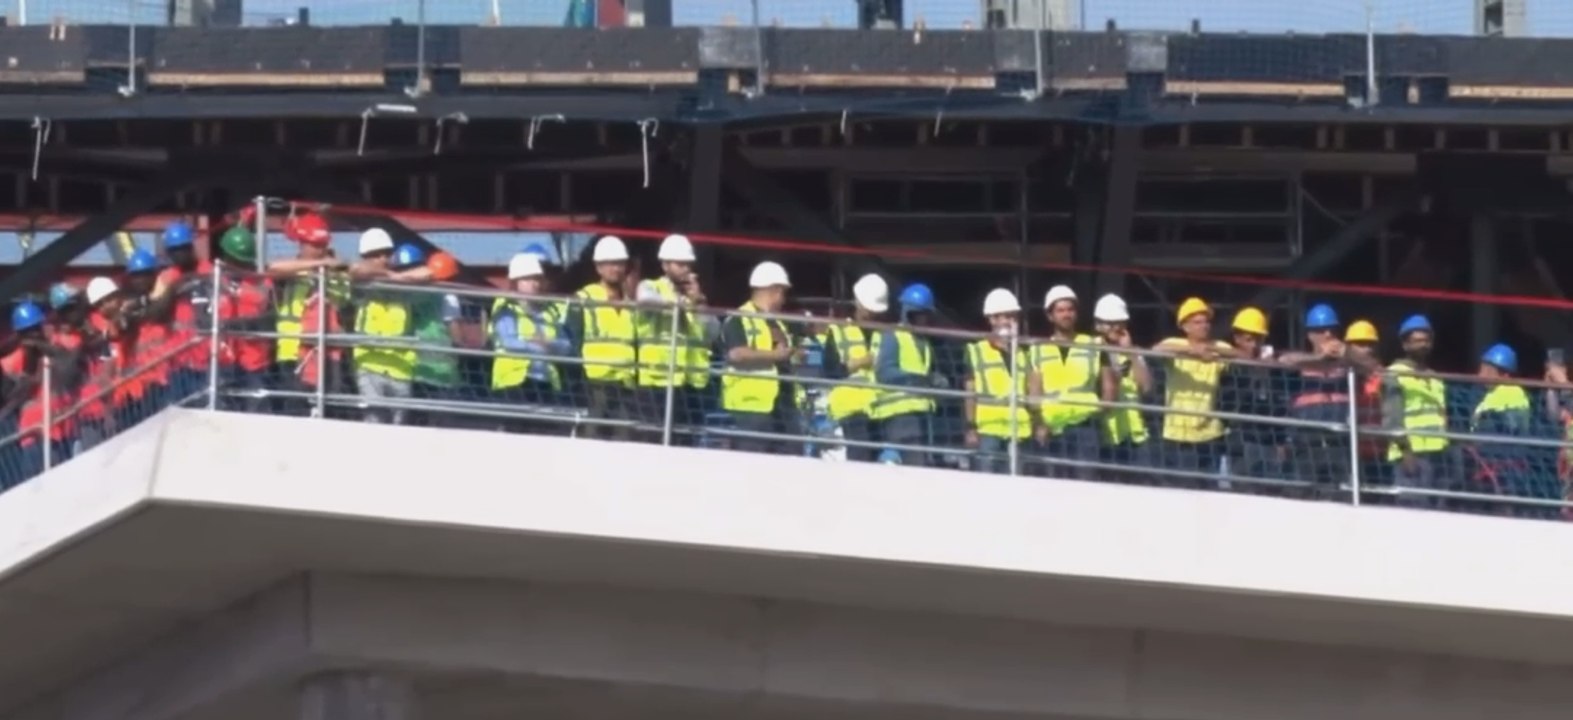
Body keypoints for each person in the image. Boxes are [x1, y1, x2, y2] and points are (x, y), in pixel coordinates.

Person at [633, 234, 717, 444]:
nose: (686, 269)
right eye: (680, 264)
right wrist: (676, 303)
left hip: (686, 384)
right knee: (652, 442)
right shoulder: (650, 286)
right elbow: (644, 300)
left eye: (688, 265)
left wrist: (699, 304)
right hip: (655, 382)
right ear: (665, 265)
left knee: (685, 444)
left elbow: (713, 333)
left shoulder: (695, 298)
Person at [268, 211, 349, 415]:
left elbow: (345, 296)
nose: (319, 250)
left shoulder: (337, 272)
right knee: (295, 410)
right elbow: (272, 268)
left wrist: (332, 269)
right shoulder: (293, 268)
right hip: (292, 350)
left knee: (330, 409)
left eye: (322, 245)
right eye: (314, 245)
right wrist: (318, 265)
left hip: (328, 352)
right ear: (301, 243)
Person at [1153, 297, 1236, 483]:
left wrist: (1211, 351)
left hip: (1210, 434)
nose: (1204, 326)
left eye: (1206, 321)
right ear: (1184, 326)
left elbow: (1240, 354)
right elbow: (1157, 349)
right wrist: (1194, 352)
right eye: (1197, 322)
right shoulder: (1176, 344)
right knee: (1182, 492)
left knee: (1209, 492)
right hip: (1178, 434)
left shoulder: (1218, 347)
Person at [1273, 303, 1353, 498]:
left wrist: (1346, 353)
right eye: (1320, 331)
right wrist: (1321, 358)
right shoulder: (1300, 361)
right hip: (1306, 442)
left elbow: (1370, 363)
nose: (1327, 335)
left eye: (1331, 330)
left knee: (1341, 497)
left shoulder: (1348, 364)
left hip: (1339, 443)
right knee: (1303, 497)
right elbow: (1283, 360)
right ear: (1310, 335)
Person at [721, 261, 799, 454]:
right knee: (754, 463)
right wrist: (775, 355)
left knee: (793, 461)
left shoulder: (779, 323)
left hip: (783, 407)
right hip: (751, 409)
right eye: (783, 293)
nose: (784, 300)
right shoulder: (739, 318)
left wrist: (794, 354)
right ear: (775, 291)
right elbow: (737, 354)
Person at [490, 252, 573, 435]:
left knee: (542, 437)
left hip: (545, 383)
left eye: (537, 279)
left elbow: (566, 346)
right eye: (527, 279)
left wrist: (547, 343)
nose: (534, 284)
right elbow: (509, 341)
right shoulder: (506, 310)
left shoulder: (549, 313)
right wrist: (543, 346)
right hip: (513, 382)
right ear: (515, 283)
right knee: (515, 436)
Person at [1028, 285, 1105, 481]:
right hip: (1052, 428)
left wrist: (1101, 411)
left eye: (1070, 309)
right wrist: (1039, 423)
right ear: (1050, 316)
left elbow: (1109, 384)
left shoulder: (1093, 344)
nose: (1066, 314)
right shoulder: (1038, 349)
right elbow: (1034, 391)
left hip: (1085, 426)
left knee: (1086, 485)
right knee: (1053, 487)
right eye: (1060, 310)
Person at [566, 236, 638, 442]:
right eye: (611, 263)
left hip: (625, 381)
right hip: (595, 379)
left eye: (620, 263)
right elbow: (574, 337)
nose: (616, 268)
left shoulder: (631, 304)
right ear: (598, 268)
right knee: (592, 435)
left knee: (623, 438)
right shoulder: (585, 298)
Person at [1382, 314, 1457, 510]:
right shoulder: (1395, 373)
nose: (1423, 345)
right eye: (1417, 341)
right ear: (1405, 345)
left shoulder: (1435, 378)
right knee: (1412, 512)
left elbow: (1442, 416)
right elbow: (1392, 418)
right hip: (1412, 455)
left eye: (1426, 340)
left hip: (1438, 455)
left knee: (1438, 513)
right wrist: (1406, 452)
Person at [0, 301, 79, 484]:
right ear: (19, 335)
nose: (34, 336)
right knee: (39, 485)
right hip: (34, 435)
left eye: (36, 329)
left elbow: (71, 362)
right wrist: (28, 371)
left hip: (64, 426)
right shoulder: (11, 362)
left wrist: (46, 350)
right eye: (27, 333)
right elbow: (12, 397)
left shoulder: (58, 346)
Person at [1214, 306, 1287, 492]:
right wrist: (1252, 371)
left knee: (1272, 495)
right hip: (1241, 439)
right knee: (1243, 495)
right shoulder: (1229, 366)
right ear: (1237, 338)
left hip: (1268, 441)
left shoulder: (1272, 368)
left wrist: (1281, 440)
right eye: (1248, 339)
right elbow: (1225, 402)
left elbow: (1278, 405)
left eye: (1258, 339)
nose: (1254, 345)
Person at [351, 239, 420, 424]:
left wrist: (395, 277)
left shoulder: (406, 281)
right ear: (365, 257)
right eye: (376, 255)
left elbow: (429, 273)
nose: (383, 258)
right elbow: (356, 270)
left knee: (400, 428)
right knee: (373, 423)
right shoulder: (361, 284)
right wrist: (389, 274)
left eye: (387, 254)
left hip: (401, 368)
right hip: (370, 363)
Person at [965, 288, 1031, 474]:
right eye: (1005, 317)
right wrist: (971, 427)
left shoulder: (1022, 354)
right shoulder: (977, 350)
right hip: (988, 429)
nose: (1011, 322)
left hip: (1017, 430)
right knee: (987, 485)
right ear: (992, 319)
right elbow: (970, 392)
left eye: (1013, 317)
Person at [823, 274, 887, 463]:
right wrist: (860, 363)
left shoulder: (882, 333)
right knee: (860, 458)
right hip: (850, 409)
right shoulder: (839, 331)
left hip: (877, 408)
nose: (871, 313)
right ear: (857, 303)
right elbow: (830, 371)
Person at [149, 219, 213, 406]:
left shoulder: (209, 271)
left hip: (211, 356)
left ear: (190, 247)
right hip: (180, 359)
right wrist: (173, 290)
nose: (179, 254)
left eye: (183, 249)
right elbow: (155, 313)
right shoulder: (166, 278)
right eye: (174, 251)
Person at [871, 283, 937, 465]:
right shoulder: (893, 336)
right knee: (912, 468)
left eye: (925, 315)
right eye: (917, 315)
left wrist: (935, 381)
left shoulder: (923, 342)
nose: (922, 320)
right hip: (899, 415)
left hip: (920, 414)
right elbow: (884, 373)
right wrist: (916, 379)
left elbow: (925, 372)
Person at [212, 225, 275, 412]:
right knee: (224, 410)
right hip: (223, 359)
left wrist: (235, 290)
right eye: (234, 260)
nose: (238, 266)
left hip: (254, 360)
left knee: (256, 410)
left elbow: (262, 303)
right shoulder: (214, 280)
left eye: (242, 262)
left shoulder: (261, 280)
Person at [1469, 343, 1536, 516]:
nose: (1480, 374)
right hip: (1492, 468)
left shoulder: (1511, 393)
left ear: (1503, 373)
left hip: (1504, 471)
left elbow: (1504, 427)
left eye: (1486, 369)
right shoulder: (1493, 394)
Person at [1092, 293, 1152, 476]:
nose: (1116, 328)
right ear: (1098, 325)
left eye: (1120, 323)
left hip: (1136, 435)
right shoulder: (1090, 349)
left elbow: (1147, 387)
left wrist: (1131, 353)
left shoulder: (1133, 351)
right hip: (1105, 433)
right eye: (1110, 323)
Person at [118, 248, 177, 426]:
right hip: (138, 387)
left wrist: (148, 301)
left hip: (163, 379)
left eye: (145, 275)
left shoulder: (165, 296)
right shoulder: (127, 305)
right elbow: (122, 322)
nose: (140, 280)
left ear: (154, 275)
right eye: (136, 276)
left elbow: (160, 309)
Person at [1345, 319, 1388, 500]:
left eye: (1370, 344)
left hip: (1379, 453)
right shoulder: (1340, 375)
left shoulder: (1384, 376)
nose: (1367, 349)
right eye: (1361, 344)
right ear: (1349, 347)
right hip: (1348, 453)